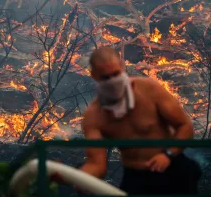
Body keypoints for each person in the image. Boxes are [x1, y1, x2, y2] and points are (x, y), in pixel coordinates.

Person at [76, 46, 202, 195]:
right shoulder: (95, 116)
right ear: (94, 76)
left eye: (116, 74)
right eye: (106, 77)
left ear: (123, 67)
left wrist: (168, 154)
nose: (112, 81)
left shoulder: (149, 89)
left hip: (173, 168)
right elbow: (96, 164)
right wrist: (77, 178)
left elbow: (185, 126)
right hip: (136, 177)